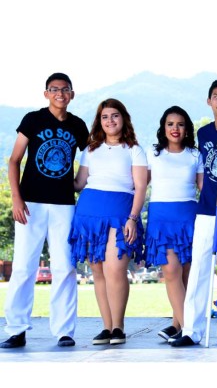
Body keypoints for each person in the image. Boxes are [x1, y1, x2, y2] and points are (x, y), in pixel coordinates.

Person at [1, 73, 89, 349]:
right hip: (31, 204)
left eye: (65, 90)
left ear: (72, 94)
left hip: (64, 205)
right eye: (54, 89)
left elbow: (91, 161)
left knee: (65, 267)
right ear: (46, 94)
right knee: (24, 267)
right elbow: (14, 160)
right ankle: (16, 329)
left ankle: (64, 331)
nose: (60, 94)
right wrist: (17, 199)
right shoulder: (33, 119)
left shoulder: (78, 126)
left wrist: (80, 186)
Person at [170, 78, 217, 347]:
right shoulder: (201, 134)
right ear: (209, 101)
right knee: (200, 267)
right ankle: (192, 329)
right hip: (206, 209)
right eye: (216, 96)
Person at [69, 98, 147, 346]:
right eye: (104, 116)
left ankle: (118, 327)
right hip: (89, 215)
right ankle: (106, 327)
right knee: (98, 270)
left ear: (123, 118)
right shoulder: (90, 149)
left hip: (121, 213)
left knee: (115, 269)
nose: (110, 120)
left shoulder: (134, 149)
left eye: (114, 115)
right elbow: (79, 184)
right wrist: (49, 180)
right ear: (99, 121)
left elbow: (141, 187)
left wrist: (133, 218)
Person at [143, 106, 204, 342]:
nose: (175, 129)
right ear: (163, 127)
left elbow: (202, 188)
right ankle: (189, 330)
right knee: (170, 271)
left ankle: (176, 325)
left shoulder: (195, 155)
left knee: (187, 276)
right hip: (161, 217)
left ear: (187, 128)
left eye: (180, 124)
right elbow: (140, 185)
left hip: (189, 216)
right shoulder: (153, 153)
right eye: (170, 124)